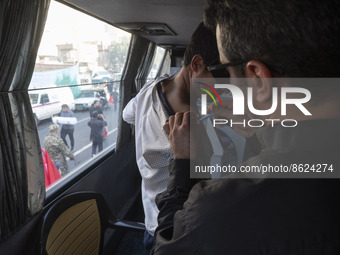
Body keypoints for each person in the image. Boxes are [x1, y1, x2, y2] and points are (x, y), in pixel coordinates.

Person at [152, 0, 340, 254]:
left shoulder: (216, 211)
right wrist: (262, 133)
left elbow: (165, 246)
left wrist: (183, 162)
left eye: (226, 71)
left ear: (258, 77)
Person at [123, 22, 222, 251]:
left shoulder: (149, 89)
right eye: (225, 76)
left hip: (153, 215)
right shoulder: (198, 125)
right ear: (197, 64)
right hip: (173, 227)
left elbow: (127, 115)